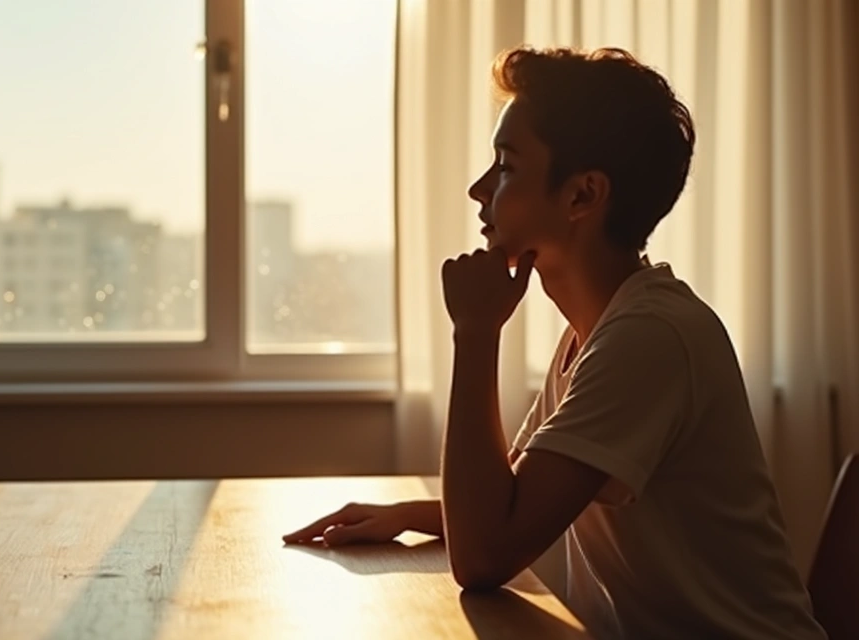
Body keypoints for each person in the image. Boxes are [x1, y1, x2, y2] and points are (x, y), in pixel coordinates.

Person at [283, 45, 826, 639]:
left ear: (582, 196)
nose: (478, 189)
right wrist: (406, 517)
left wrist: (476, 332)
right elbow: (511, 501)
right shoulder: (593, 334)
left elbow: (485, 556)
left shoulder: (649, 338)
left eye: (507, 166)